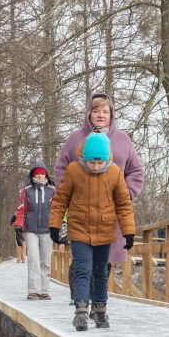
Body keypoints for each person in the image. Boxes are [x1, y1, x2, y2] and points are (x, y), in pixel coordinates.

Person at [55, 92, 145, 310]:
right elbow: (60, 169)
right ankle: (80, 299)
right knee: (82, 261)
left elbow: (136, 171)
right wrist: (67, 197)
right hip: (81, 213)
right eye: (96, 111)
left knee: (104, 262)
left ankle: (98, 303)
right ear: (89, 114)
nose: (101, 115)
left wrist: (127, 194)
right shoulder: (76, 138)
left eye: (105, 111)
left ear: (111, 114)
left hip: (110, 213)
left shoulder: (122, 140)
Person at [50, 132, 136, 331]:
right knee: (83, 269)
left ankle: (100, 311)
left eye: (100, 163)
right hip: (79, 229)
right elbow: (60, 200)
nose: (96, 167)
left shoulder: (114, 173)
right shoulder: (73, 171)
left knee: (100, 272)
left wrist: (128, 231)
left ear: (107, 159)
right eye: (91, 163)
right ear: (84, 159)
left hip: (105, 230)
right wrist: (55, 225)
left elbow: (123, 204)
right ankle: (80, 310)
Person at [16, 161, 55, 300]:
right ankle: (33, 290)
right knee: (33, 259)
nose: (39, 175)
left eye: (42, 173)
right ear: (33, 174)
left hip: (48, 229)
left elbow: (58, 210)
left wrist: (59, 228)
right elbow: (21, 209)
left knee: (45, 261)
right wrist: (18, 225)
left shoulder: (53, 190)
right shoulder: (27, 190)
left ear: (45, 174)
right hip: (31, 229)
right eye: (37, 173)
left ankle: (45, 290)